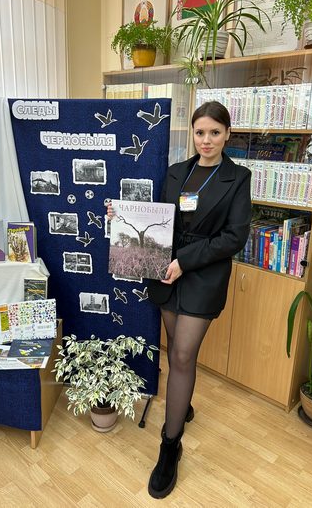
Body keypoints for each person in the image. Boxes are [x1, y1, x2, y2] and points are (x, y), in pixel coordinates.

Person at [107, 101, 251, 499]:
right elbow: (158, 219)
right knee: (175, 352)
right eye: (200, 132)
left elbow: (234, 237)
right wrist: (121, 217)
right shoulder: (176, 172)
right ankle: (180, 404)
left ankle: (170, 446)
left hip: (202, 273)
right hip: (166, 272)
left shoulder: (238, 177)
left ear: (227, 134)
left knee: (184, 356)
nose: (207, 140)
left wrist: (185, 261)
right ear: (193, 133)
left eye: (215, 133)